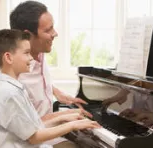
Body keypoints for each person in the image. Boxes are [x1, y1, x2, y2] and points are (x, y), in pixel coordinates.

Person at [0, 29, 100, 148]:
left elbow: (34, 128)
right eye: (26, 53)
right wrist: (72, 125)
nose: (31, 58)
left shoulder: (13, 88)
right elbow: (34, 137)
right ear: (9, 58)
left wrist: (62, 118)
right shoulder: (9, 94)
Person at [10, 1, 93, 147]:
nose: (55, 33)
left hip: (50, 132)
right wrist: (67, 119)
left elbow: (37, 82)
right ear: (27, 36)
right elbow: (29, 133)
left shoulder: (38, 52)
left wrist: (56, 92)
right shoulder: (16, 78)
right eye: (48, 30)